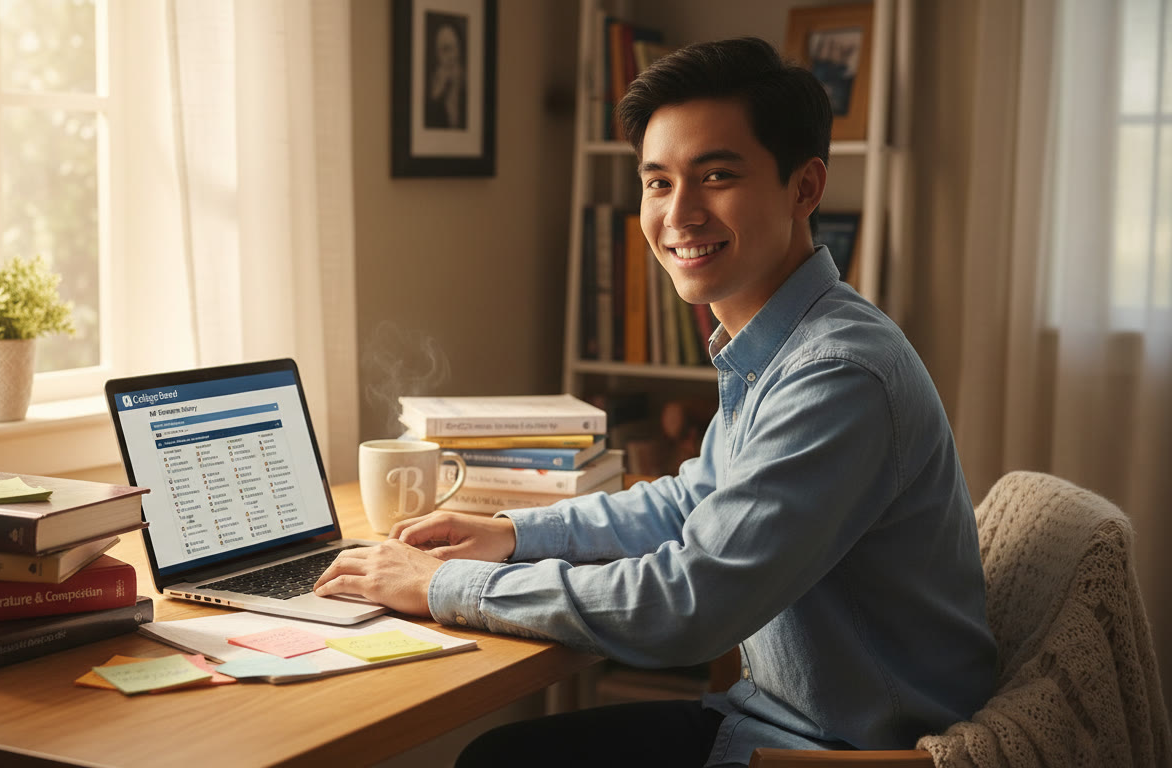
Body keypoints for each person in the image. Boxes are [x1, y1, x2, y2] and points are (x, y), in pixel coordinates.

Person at [315, 37, 996, 767]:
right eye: (658, 182)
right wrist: (511, 534)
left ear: (804, 187)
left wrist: (450, 586)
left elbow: (691, 606)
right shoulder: (781, 338)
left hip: (833, 751)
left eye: (716, 176)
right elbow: (690, 504)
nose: (680, 214)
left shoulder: (836, 374)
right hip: (773, 719)